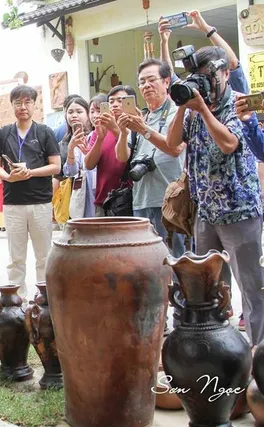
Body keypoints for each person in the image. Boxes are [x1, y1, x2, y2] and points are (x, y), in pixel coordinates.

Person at [165, 46, 264, 347]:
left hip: (239, 211)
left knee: (252, 288)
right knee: (206, 288)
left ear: (224, 73)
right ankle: (219, 350)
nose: (204, 83)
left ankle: (260, 357)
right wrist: (183, 103)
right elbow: (171, 143)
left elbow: (229, 143)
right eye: (199, 77)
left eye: (208, 76)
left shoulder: (236, 103)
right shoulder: (195, 109)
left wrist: (203, 110)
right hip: (206, 214)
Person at [0, 85, 61, 297]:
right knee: (16, 258)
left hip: (40, 202)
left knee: (44, 255)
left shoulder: (44, 132)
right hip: (13, 203)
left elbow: (56, 166)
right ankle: (16, 301)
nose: (23, 107)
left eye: (27, 102)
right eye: (18, 103)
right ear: (12, 105)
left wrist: (30, 172)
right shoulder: (3, 133)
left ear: (34, 104)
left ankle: (45, 298)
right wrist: (9, 177)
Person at [115, 58, 186, 257]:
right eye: (142, 82)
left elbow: (176, 149)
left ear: (166, 81)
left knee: (173, 259)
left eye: (151, 80)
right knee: (146, 260)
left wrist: (144, 130)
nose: (146, 85)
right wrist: (122, 132)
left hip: (171, 201)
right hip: (141, 199)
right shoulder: (143, 116)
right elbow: (122, 157)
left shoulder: (177, 112)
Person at [159, 10, 248, 94]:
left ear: (226, 74)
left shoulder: (237, 98)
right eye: (200, 76)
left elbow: (232, 64)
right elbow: (168, 74)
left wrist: (206, 29)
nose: (205, 82)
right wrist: (164, 42)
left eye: (210, 76)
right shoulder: (192, 94)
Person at [84, 86, 135, 217]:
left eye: (121, 100)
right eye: (111, 101)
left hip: (128, 199)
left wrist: (115, 128)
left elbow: (129, 155)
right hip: (104, 200)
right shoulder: (100, 129)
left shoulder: (136, 126)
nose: (115, 105)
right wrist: (100, 139)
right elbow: (89, 165)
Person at [61, 96, 96, 218]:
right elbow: (70, 171)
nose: (74, 115)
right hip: (81, 193)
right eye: (70, 112)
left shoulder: (96, 135)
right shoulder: (69, 141)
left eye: (79, 111)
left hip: (97, 191)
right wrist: (71, 148)